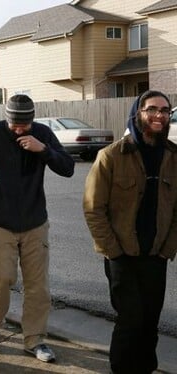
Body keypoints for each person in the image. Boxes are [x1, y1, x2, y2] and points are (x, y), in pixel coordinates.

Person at [0, 94, 74, 363]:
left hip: (35, 223)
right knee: (2, 278)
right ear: (6, 119)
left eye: (24, 125)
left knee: (37, 286)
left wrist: (42, 149)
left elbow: (68, 168)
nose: (18, 130)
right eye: (14, 125)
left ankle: (34, 340)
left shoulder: (42, 134)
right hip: (1, 223)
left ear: (32, 120)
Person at [83, 90, 177, 374]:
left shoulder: (174, 157)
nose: (159, 115)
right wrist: (113, 251)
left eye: (164, 110)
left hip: (155, 255)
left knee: (150, 322)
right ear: (139, 113)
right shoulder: (111, 156)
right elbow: (93, 208)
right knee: (130, 321)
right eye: (152, 109)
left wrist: (167, 249)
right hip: (122, 256)